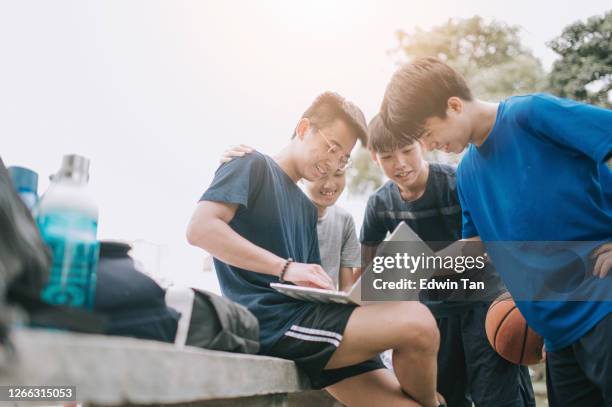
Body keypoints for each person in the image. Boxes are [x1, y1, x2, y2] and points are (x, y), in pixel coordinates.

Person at [187, 91, 446, 407]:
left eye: (343, 158)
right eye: (332, 147)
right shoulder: (250, 164)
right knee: (418, 323)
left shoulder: (307, 209)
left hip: (309, 323)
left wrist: (348, 296)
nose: (334, 162)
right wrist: (285, 268)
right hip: (270, 322)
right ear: (303, 128)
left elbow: (305, 287)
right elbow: (200, 229)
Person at [381, 57, 612, 406]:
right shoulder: (468, 174)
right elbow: (476, 247)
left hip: (602, 306)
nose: (428, 146)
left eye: (427, 133)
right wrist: (413, 271)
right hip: (558, 338)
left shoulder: (530, 115)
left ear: (454, 106)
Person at [362, 114, 535, 407]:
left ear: (423, 144)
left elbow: (485, 242)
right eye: (388, 156)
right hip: (433, 313)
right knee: (444, 398)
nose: (400, 163)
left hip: (485, 303)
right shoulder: (379, 204)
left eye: (407, 150)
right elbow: (368, 265)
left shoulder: (458, 182)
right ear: (374, 158)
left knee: (497, 397)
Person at [221, 145, 360, 292]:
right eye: (322, 173)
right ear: (303, 177)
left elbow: (346, 287)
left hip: (325, 308)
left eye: (338, 174)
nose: (329, 184)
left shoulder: (344, 220)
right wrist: (238, 162)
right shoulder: (278, 210)